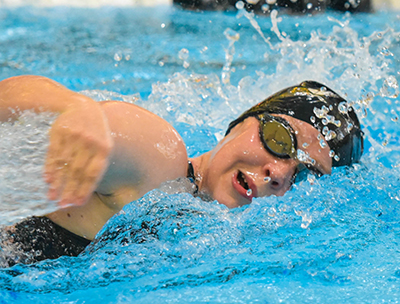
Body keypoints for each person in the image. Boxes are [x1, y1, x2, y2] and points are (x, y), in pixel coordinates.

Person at [0, 76, 363, 265]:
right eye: (280, 139)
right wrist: (73, 109)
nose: (280, 172)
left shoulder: (212, 237)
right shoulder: (158, 159)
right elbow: (12, 98)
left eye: (304, 174)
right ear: (242, 121)